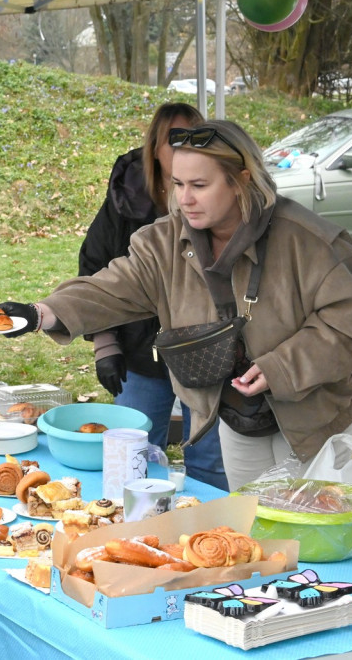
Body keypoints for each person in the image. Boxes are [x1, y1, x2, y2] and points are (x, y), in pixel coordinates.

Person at [0, 120, 352, 491]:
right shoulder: (164, 241)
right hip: (237, 414)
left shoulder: (313, 242)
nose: (184, 199)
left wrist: (279, 367)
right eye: (177, 184)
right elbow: (114, 288)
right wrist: (42, 314)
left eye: (199, 185)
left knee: (317, 534)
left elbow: (350, 329)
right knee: (257, 523)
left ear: (242, 179)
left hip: (317, 416)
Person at [78, 101, 227, 490]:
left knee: (210, 463)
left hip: (206, 354)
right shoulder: (127, 198)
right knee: (130, 459)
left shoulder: (219, 200)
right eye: (173, 140)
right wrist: (105, 346)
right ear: (154, 147)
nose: (182, 150)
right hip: (139, 352)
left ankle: (210, 537)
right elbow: (96, 271)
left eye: (192, 139)